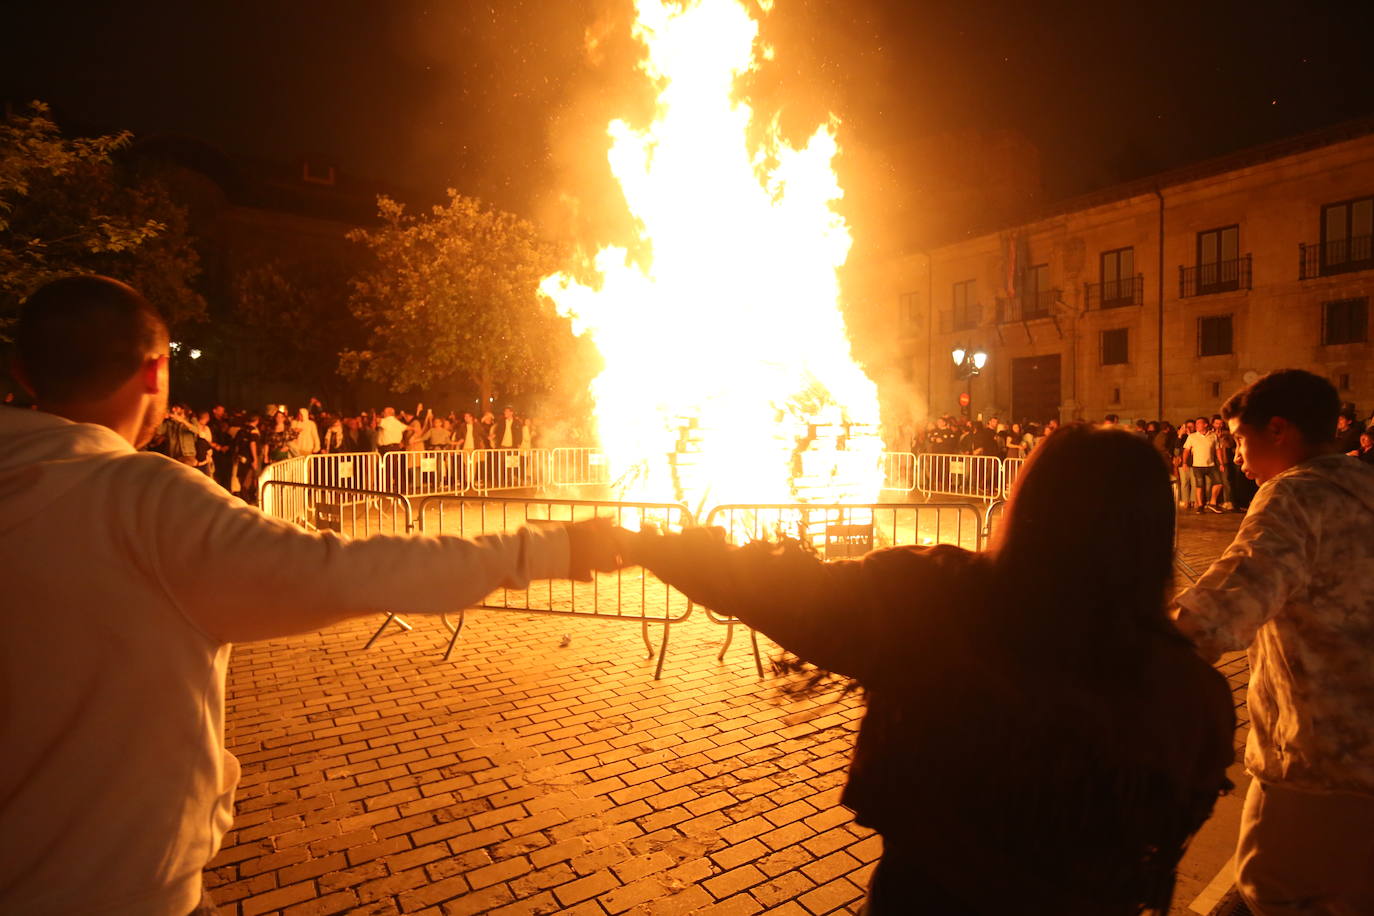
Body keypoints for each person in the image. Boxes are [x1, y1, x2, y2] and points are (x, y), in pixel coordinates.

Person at [0, 276, 624, 916]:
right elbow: (352, 572)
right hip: (121, 892)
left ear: (22, 372)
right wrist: (555, 549)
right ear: (157, 371)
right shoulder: (143, 501)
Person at [619, 424, 1234, 914]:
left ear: (1031, 508)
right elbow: (1165, 835)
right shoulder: (1195, 697)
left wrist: (645, 541)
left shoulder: (939, 602)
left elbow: (784, 591)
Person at [1173, 370, 1374, 915]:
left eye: (1239, 438)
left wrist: (1133, 661)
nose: (1236, 454)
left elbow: (1223, 605)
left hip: (1316, 766)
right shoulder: (1364, 486)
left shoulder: (1294, 494)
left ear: (1279, 430)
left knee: (1273, 896)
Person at [1184, 416, 1223, 512]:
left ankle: (1212, 503)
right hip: (1197, 465)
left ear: (1205, 425)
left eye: (1199, 423)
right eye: (1196, 423)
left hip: (1211, 464)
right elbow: (1186, 451)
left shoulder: (1213, 436)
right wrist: (1184, 462)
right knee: (1200, 486)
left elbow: (1218, 450)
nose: (1196, 425)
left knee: (1219, 483)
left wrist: (1221, 463)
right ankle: (1200, 506)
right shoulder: (1192, 436)